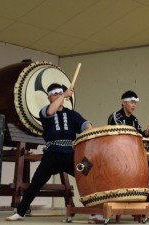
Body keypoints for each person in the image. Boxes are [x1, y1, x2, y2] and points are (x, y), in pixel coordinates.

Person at [6, 83, 93, 221]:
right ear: (49, 97)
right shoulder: (44, 112)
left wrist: (88, 127)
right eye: (54, 93)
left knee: (88, 175)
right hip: (51, 154)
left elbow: (84, 124)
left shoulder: (71, 114)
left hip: (70, 153)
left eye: (60, 92)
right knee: (36, 182)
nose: (58, 95)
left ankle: (96, 209)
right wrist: (64, 94)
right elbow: (50, 112)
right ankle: (20, 212)